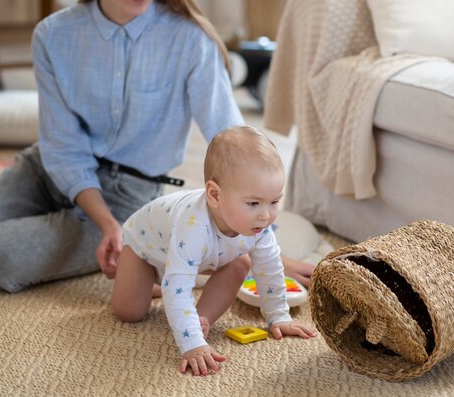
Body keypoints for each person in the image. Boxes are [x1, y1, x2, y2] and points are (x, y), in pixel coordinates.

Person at [0, 0, 313, 292]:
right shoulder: (53, 35)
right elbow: (63, 148)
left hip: (128, 196)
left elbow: (235, 144)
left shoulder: (190, 40)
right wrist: (105, 224)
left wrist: (267, 249)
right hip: (49, 170)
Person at [111, 125, 317, 376]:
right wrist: (191, 346)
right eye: (253, 203)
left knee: (242, 264)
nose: (265, 215)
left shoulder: (260, 225)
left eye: (274, 202)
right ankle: (145, 277)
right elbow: (178, 287)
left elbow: (270, 269)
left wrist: (279, 316)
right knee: (129, 312)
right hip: (145, 248)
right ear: (215, 195)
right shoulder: (193, 226)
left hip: (200, 257)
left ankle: (201, 319)